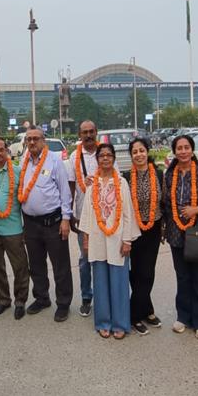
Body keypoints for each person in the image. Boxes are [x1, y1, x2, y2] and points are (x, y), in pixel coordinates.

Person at [79, 143, 140, 339]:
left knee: (119, 282)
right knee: (100, 282)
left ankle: (120, 323)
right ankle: (103, 321)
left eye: (108, 155)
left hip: (118, 239)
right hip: (97, 240)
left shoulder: (121, 183)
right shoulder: (92, 185)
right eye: (102, 155)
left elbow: (128, 213)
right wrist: (86, 240)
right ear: (97, 160)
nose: (105, 158)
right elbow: (87, 214)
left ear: (114, 158)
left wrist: (128, 240)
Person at [161, 134, 198, 340]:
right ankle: (183, 316)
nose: (183, 151)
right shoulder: (169, 175)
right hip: (177, 235)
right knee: (183, 277)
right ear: (175, 152)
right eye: (179, 148)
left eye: (187, 147)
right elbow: (166, 205)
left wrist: (197, 209)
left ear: (192, 151)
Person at [19, 126, 74, 322]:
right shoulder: (24, 161)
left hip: (53, 222)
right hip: (31, 223)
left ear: (43, 140)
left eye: (35, 138)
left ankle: (63, 303)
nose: (32, 142)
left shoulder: (55, 161)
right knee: (36, 265)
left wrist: (66, 219)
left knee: (60, 265)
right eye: (29, 139)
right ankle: (42, 298)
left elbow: (65, 193)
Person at [66, 120, 118, 317]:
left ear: (96, 132)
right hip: (84, 217)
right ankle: (87, 297)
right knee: (86, 258)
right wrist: (69, 214)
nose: (88, 135)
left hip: (107, 216)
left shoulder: (105, 153)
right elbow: (71, 186)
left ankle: (107, 296)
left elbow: (116, 179)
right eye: (84, 132)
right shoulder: (74, 157)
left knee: (107, 256)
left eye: (91, 132)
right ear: (79, 135)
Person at [0, 137, 30, 320]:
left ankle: (20, 301)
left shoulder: (17, 172)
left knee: (20, 267)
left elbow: (25, 199)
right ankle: (3, 300)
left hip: (14, 230)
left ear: (7, 151)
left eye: (2, 149)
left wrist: (26, 226)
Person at [123, 137, 164, 335]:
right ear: (131, 156)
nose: (139, 154)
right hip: (133, 230)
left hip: (153, 228)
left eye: (142, 150)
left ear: (147, 152)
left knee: (147, 272)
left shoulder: (159, 174)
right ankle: (140, 312)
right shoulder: (125, 177)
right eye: (135, 152)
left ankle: (139, 312)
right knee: (137, 273)